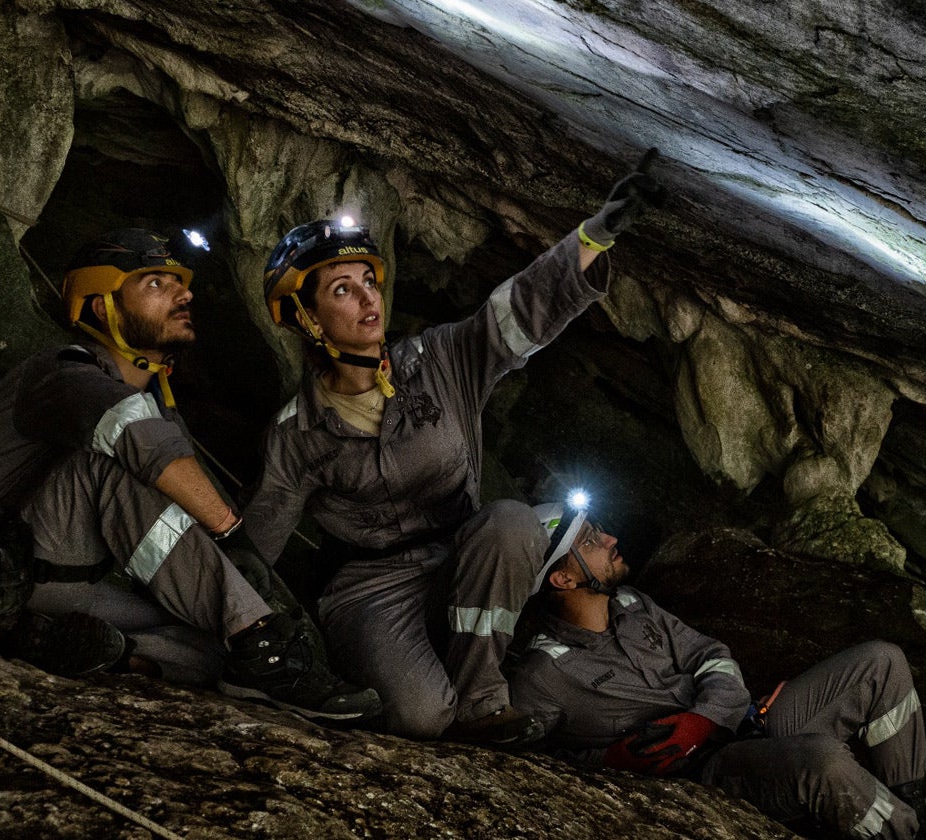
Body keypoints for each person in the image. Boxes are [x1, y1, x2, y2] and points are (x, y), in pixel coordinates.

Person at [237, 152, 666, 743]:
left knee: (513, 522)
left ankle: (484, 699)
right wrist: (241, 630)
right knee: (420, 718)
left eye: (369, 282)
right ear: (308, 319)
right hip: (369, 586)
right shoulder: (296, 432)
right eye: (343, 290)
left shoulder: (437, 359)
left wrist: (597, 233)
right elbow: (257, 541)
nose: (369, 302)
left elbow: (518, 308)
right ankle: (420, 681)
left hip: (463, 557)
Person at [0, 228, 380, 722]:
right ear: (101, 307)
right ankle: (262, 645)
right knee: (116, 456)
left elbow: (185, 484)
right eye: (156, 284)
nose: (185, 294)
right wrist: (231, 537)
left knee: (218, 647)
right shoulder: (56, 371)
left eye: (179, 283)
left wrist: (262, 595)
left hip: (61, 590)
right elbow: (131, 436)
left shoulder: (158, 404)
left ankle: (98, 651)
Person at [510, 499, 926, 840]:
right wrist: (606, 759)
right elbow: (528, 764)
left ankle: (908, 803)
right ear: (562, 580)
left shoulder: (633, 604)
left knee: (882, 662)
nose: (609, 539)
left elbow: (712, 655)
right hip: (714, 771)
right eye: (590, 542)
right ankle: (910, 837)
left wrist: (707, 715)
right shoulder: (544, 674)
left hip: (745, 721)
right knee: (822, 760)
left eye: (598, 530)